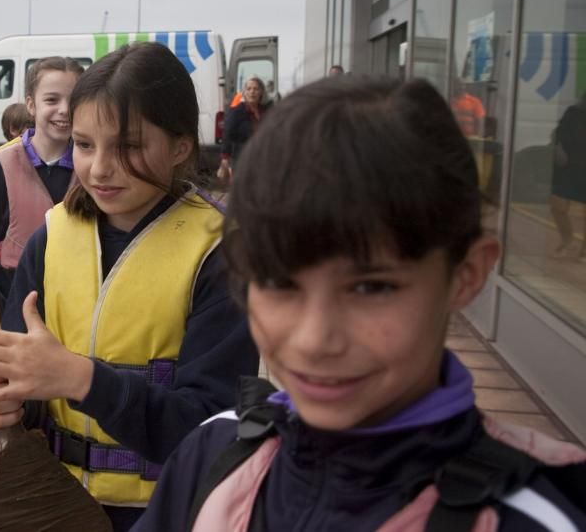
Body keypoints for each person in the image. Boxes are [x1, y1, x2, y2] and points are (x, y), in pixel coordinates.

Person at [133, 77, 586, 532]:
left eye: (371, 288)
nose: (313, 340)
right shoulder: (213, 453)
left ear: (466, 273)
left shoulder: (538, 518)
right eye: (276, 281)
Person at [0, 42, 258, 531]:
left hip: (169, 510)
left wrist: (81, 379)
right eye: (85, 144)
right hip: (53, 501)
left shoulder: (222, 252)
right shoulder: (50, 239)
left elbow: (211, 428)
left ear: (181, 145)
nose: (98, 167)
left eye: (129, 146)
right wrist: (1, 399)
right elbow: (20, 388)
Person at [0, 57, 83, 284]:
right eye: (51, 100)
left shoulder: (92, 166)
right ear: (31, 105)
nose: (64, 110)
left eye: (73, 101)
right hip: (11, 292)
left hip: (75, 291)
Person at [549, 97, 586, 259]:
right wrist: (558, 147)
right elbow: (558, 133)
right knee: (557, 205)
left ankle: (584, 251)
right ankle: (567, 240)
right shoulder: (573, 112)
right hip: (568, 167)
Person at [217, 77, 270, 186]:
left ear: (261, 92)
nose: (252, 92)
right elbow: (227, 134)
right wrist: (225, 159)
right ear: (244, 92)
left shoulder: (266, 111)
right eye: (249, 89)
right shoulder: (236, 111)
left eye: (256, 89)